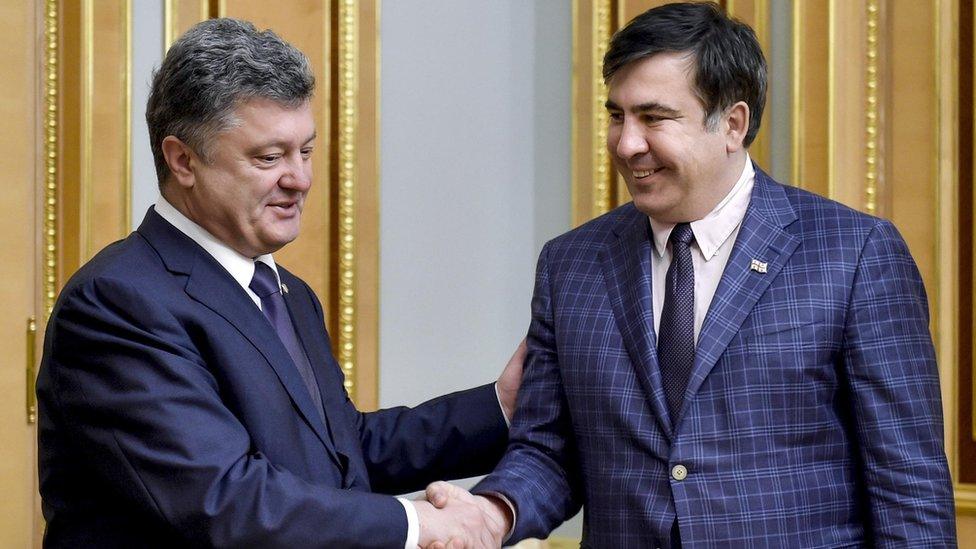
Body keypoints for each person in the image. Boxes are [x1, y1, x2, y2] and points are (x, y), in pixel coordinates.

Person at [429, 2, 957, 547]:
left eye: (654, 118)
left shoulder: (855, 254)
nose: (627, 144)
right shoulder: (571, 264)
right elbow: (548, 448)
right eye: (617, 116)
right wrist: (494, 513)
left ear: (732, 124)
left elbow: (908, 487)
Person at [36, 18, 524, 549]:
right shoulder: (117, 302)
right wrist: (418, 524)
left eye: (305, 151)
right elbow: (226, 501)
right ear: (183, 160)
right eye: (269, 158)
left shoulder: (283, 289)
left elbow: (342, 454)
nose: (300, 179)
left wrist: (500, 406)